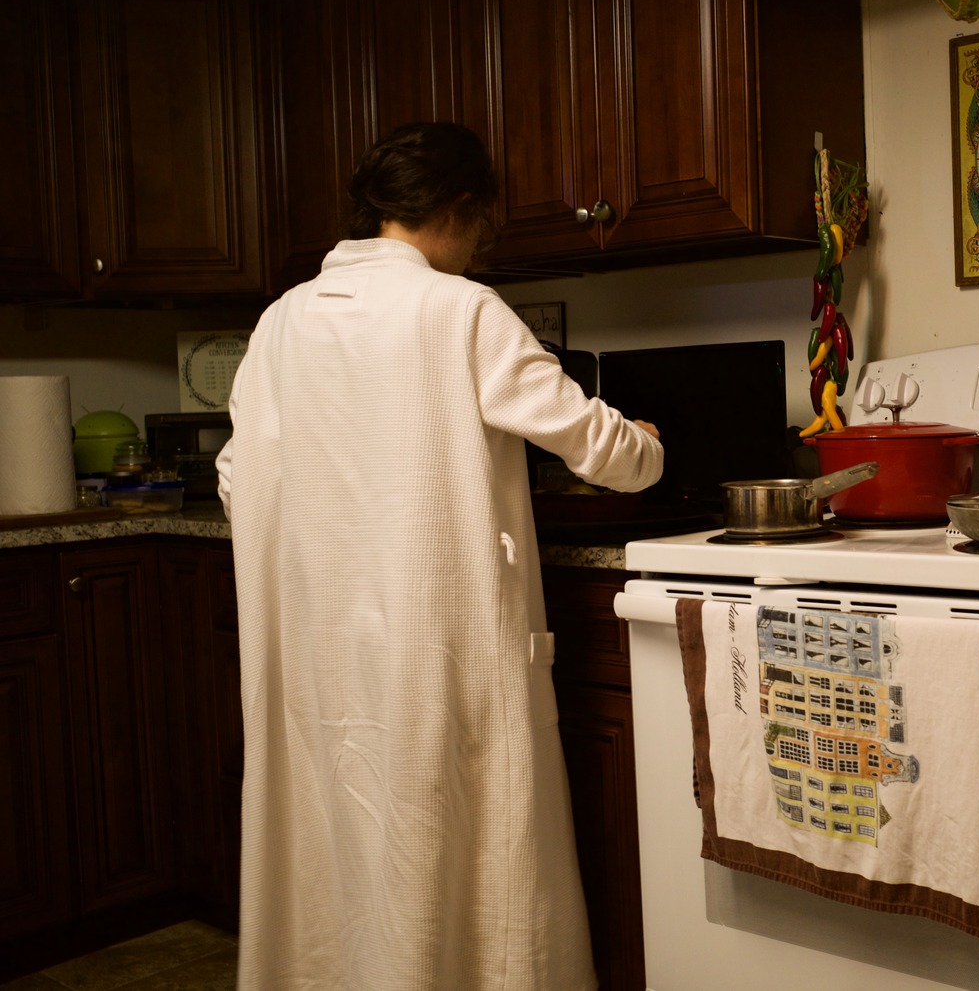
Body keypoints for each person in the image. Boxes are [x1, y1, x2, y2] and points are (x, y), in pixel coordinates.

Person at [216, 122, 662, 991]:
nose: (477, 248)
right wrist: (649, 442)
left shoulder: (280, 322)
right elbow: (599, 450)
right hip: (435, 641)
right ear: (458, 211)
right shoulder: (458, 309)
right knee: (463, 838)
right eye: (483, 227)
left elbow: (237, 480)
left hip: (316, 645)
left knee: (333, 837)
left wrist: (330, 519)